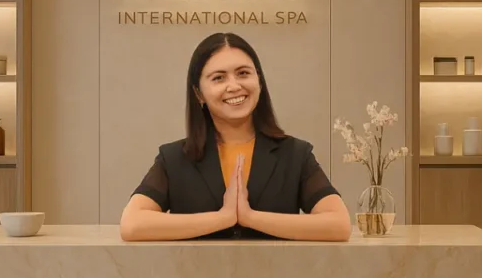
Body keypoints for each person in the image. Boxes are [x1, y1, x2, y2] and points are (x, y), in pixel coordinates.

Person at [120, 32, 351, 242]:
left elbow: (339, 225)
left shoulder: (295, 154)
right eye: (219, 78)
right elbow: (132, 225)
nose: (234, 86)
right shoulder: (174, 159)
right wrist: (223, 218)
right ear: (199, 93)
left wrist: (250, 217)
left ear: (259, 81)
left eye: (243, 73)